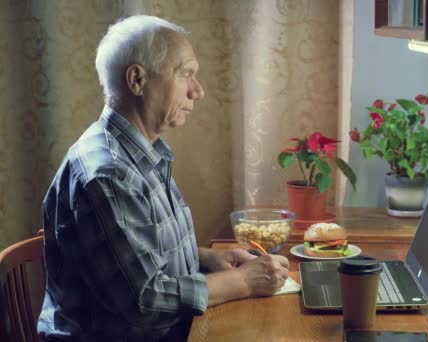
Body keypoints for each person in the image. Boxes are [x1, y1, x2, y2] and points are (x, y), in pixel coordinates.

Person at [37, 15, 289, 341]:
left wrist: (207, 258)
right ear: (137, 80)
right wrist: (243, 282)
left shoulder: (142, 151)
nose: (197, 91)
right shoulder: (109, 174)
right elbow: (145, 301)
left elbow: (132, 254)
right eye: (185, 74)